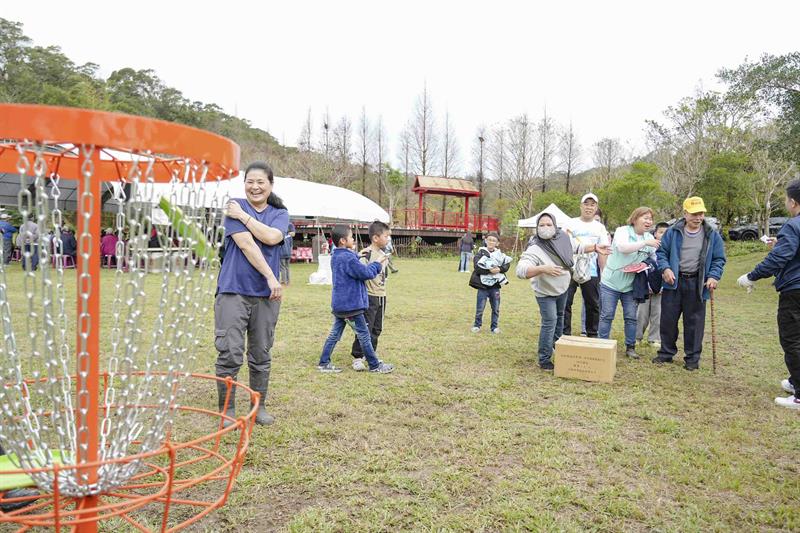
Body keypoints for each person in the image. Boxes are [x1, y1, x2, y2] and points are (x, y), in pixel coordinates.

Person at [214, 161, 288, 427]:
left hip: (266, 297)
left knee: (261, 352)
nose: (255, 187)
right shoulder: (233, 204)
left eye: (260, 182)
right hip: (234, 290)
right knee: (230, 352)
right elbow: (246, 244)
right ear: (244, 183)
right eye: (250, 181)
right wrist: (271, 276)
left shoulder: (279, 213)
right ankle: (227, 409)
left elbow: (271, 238)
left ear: (270, 185)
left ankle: (260, 407)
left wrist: (245, 218)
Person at [517, 213, 610, 370]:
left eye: (548, 224)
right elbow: (521, 270)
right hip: (545, 292)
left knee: (560, 318)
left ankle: (558, 348)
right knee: (550, 321)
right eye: (542, 225)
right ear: (537, 228)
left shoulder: (563, 238)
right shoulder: (535, 247)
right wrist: (542, 269)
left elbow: (576, 247)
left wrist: (594, 247)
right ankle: (544, 358)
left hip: (563, 288)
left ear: (555, 225)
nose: (545, 228)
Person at [737, 180, 800, 409]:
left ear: (792, 202)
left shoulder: (793, 226)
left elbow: (779, 259)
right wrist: (781, 243)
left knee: (792, 339)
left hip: (795, 290)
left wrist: (752, 276)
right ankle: (795, 382)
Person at [653, 197, 726, 371]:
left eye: (700, 213)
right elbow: (661, 253)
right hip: (674, 281)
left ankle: (692, 359)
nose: (698, 217)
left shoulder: (711, 234)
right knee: (668, 319)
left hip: (697, 283)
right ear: (685, 213)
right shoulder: (673, 232)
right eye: (693, 214)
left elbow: (719, 259)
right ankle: (666, 353)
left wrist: (714, 276)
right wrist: (666, 269)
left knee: (694, 322)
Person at [317, 224, 394, 374]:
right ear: (343, 241)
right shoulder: (348, 258)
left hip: (340, 305)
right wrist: (377, 264)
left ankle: (323, 362)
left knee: (334, 335)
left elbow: (349, 266)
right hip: (352, 305)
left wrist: (358, 256)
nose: (354, 239)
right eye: (351, 237)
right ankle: (374, 365)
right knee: (364, 334)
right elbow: (365, 273)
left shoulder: (337, 256)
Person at [598, 207, 661, 359]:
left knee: (631, 317)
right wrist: (645, 242)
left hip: (631, 285)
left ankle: (630, 347)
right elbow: (622, 247)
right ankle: (602, 345)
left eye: (650, 219)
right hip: (610, 282)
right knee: (607, 315)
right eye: (645, 218)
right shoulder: (622, 231)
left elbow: (654, 259)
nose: (648, 221)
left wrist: (649, 266)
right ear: (634, 219)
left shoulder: (649, 238)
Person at [562, 193, 610, 338]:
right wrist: (592, 247)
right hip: (570, 267)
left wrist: (604, 271)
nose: (589, 207)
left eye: (592, 204)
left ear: (596, 207)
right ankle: (564, 333)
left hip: (591, 270)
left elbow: (603, 251)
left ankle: (592, 334)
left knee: (593, 304)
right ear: (581, 205)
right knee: (566, 302)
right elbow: (566, 246)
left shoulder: (600, 227)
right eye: (586, 204)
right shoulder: (570, 223)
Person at [350, 221, 392, 371]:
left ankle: (370, 355)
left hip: (381, 295)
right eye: (386, 236)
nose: (388, 239)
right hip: (368, 296)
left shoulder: (383, 255)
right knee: (365, 328)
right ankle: (357, 356)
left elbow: (383, 276)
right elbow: (361, 274)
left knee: (376, 328)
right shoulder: (366, 254)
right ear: (375, 238)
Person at [469, 232, 511, 334]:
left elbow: (506, 265)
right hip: (482, 286)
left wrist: (499, 269)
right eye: (489, 239)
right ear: (486, 240)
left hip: (495, 287)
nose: (491, 242)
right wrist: (489, 271)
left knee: (495, 308)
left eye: (494, 240)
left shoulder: (500, 254)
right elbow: (477, 267)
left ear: (497, 243)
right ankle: (477, 325)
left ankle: (494, 327)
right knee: (480, 308)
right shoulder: (480, 252)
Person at [636, 222, 669, 347]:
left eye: (667, 233)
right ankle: (637, 336)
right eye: (661, 232)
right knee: (641, 314)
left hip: (662, 288)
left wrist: (663, 286)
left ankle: (654, 338)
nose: (663, 235)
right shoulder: (649, 248)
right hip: (646, 287)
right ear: (655, 234)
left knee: (658, 314)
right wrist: (647, 285)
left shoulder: (670, 250)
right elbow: (642, 267)